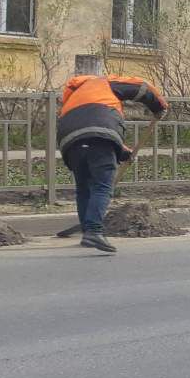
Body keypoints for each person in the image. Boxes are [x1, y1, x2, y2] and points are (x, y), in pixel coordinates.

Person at [55, 60, 168, 253]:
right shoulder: (102, 82)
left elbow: (88, 126)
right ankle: (94, 230)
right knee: (101, 185)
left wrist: (121, 151)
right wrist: (159, 106)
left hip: (70, 143)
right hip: (98, 140)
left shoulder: (73, 96)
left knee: (84, 188)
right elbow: (142, 87)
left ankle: (87, 229)